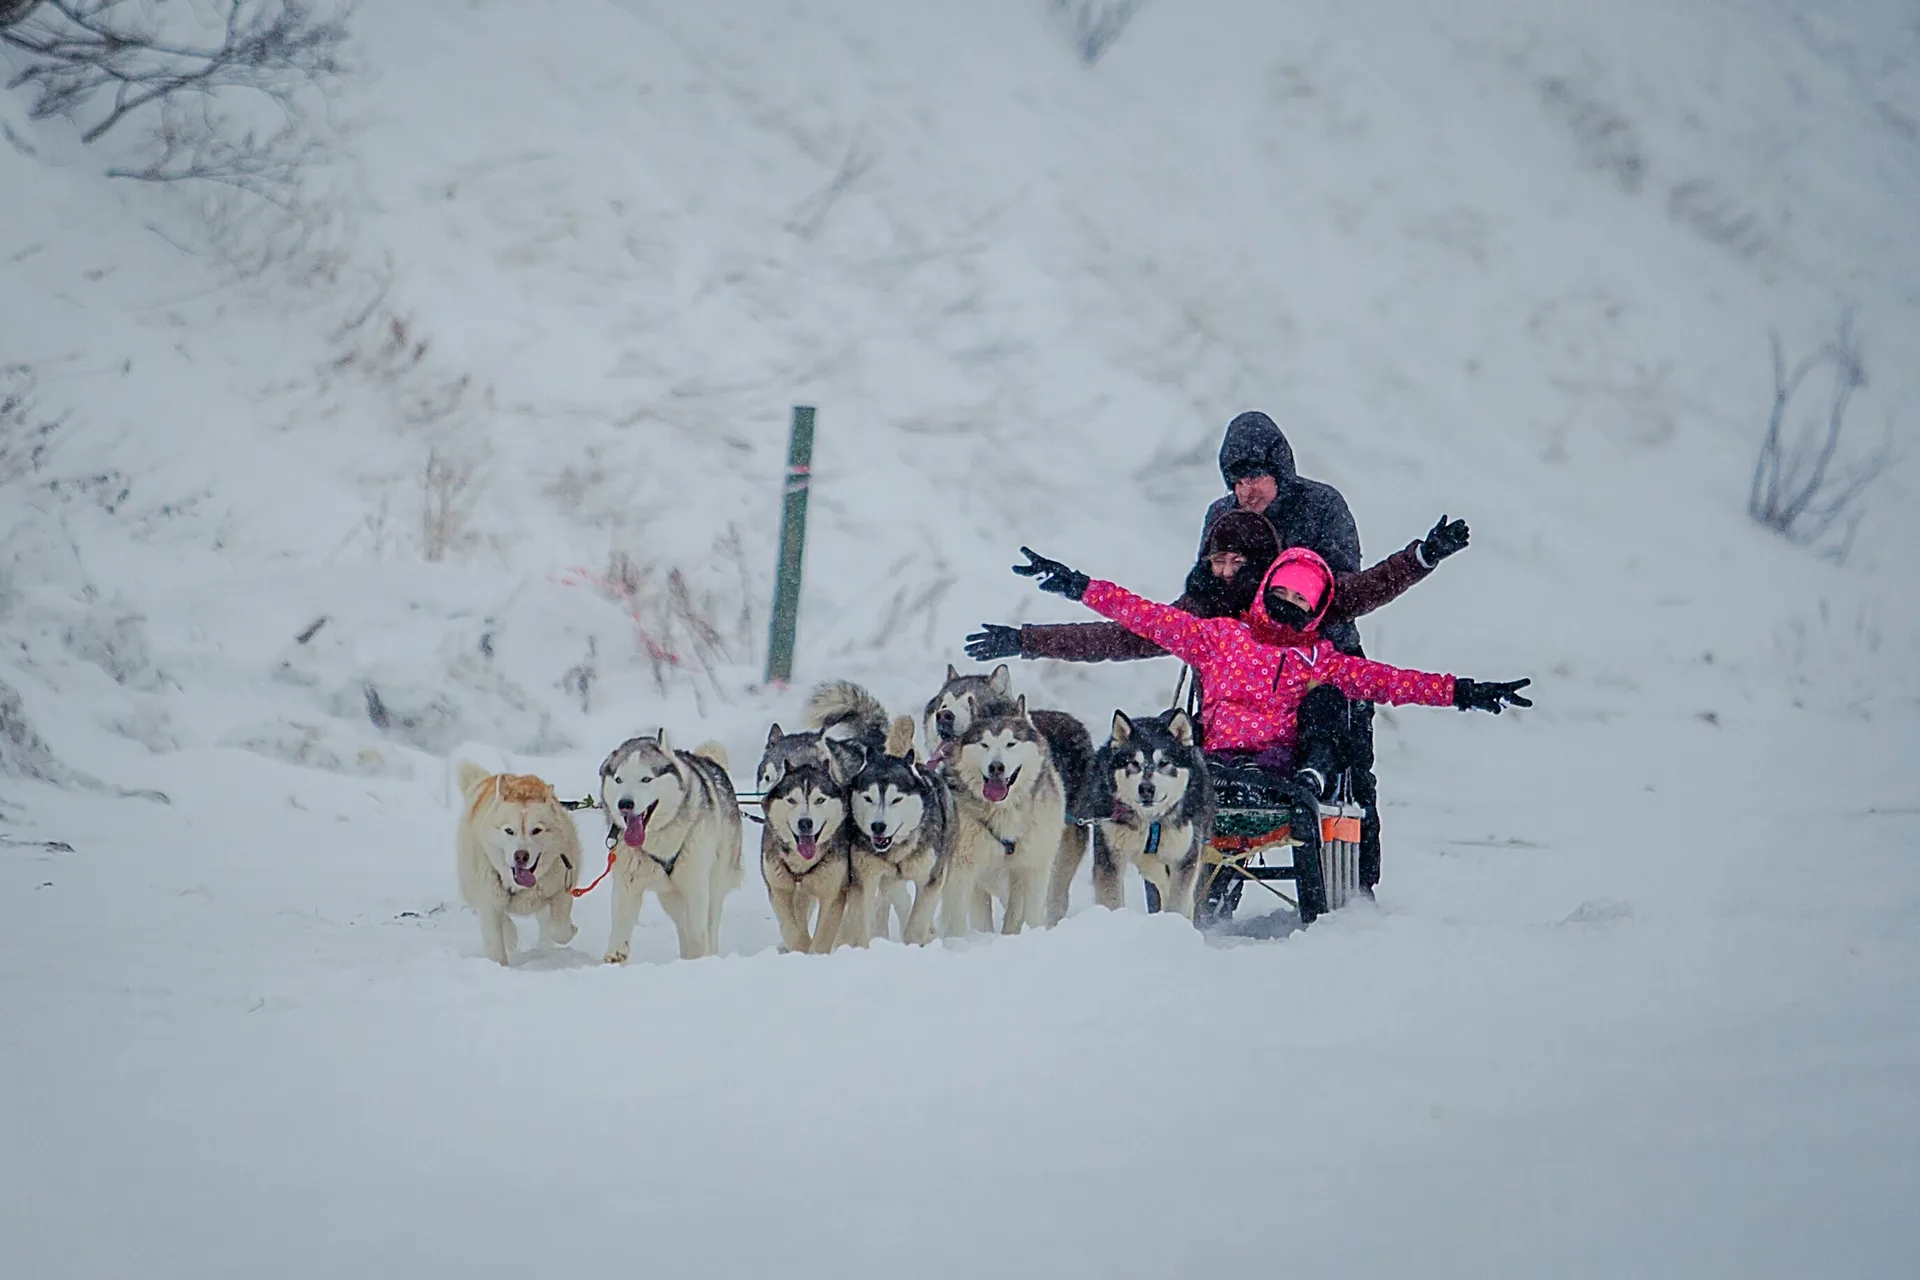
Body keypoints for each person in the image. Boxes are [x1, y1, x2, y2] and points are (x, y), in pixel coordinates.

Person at [964, 410, 1471, 893]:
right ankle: (1213, 876)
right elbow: (1139, 630)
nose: (1244, 490)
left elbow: (1352, 593)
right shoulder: (1224, 523)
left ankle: (1357, 889)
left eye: (1255, 477)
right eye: (1235, 480)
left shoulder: (1321, 506)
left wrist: (1421, 557)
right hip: (1235, 667)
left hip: (1320, 663)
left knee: (1347, 754)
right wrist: (1029, 639)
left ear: (1281, 471)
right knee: (1199, 729)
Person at [1009, 540, 1530, 811]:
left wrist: (1464, 692)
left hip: (1279, 764)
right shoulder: (1221, 636)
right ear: (1266, 592)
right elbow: (1144, 616)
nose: (1287, 607)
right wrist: (1077, 584)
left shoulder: (1320, 658)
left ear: (1317, 608)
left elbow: (1390, 682)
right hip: (1215, 757)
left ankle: (1293, 781)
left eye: (1300, 602)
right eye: (1281, 594)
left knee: (1324, 711)